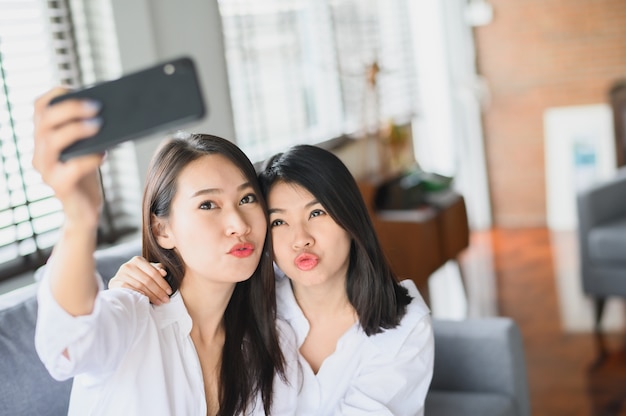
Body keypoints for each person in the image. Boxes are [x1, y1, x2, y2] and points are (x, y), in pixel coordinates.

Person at [31, 87, 299, 415]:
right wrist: (80, 217)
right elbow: (67, 342)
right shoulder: (133, 318)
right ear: (162, 230)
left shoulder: (273, 343)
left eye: (246, 199)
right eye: (208, 204)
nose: (238, 224)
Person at [112, 144, 435, 415]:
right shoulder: (249, 303)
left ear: (350, 218)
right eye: (279, 221)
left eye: (317, 213)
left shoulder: (405, 324)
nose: (300, 239)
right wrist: (128, 285)